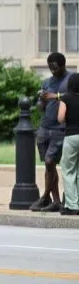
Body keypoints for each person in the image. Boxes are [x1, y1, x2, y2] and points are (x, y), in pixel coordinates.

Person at [32, 52, 72, 213]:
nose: (52, 71)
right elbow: (40, 107)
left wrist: (56, 96)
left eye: (55, 68)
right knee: (49, 166)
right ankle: (55, 201)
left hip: (61, 128)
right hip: (45, 127)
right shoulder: (46, 82)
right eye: (50, 68)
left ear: (62, 65)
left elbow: (74, 96)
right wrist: (41, 100)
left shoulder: (72, 79)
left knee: (50, 161)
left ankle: (45, 196)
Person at [57, 73, 79, 215]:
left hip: (71, 136)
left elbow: (60, 118)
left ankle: (72, 205)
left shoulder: (65, 98)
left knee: (68, 170)